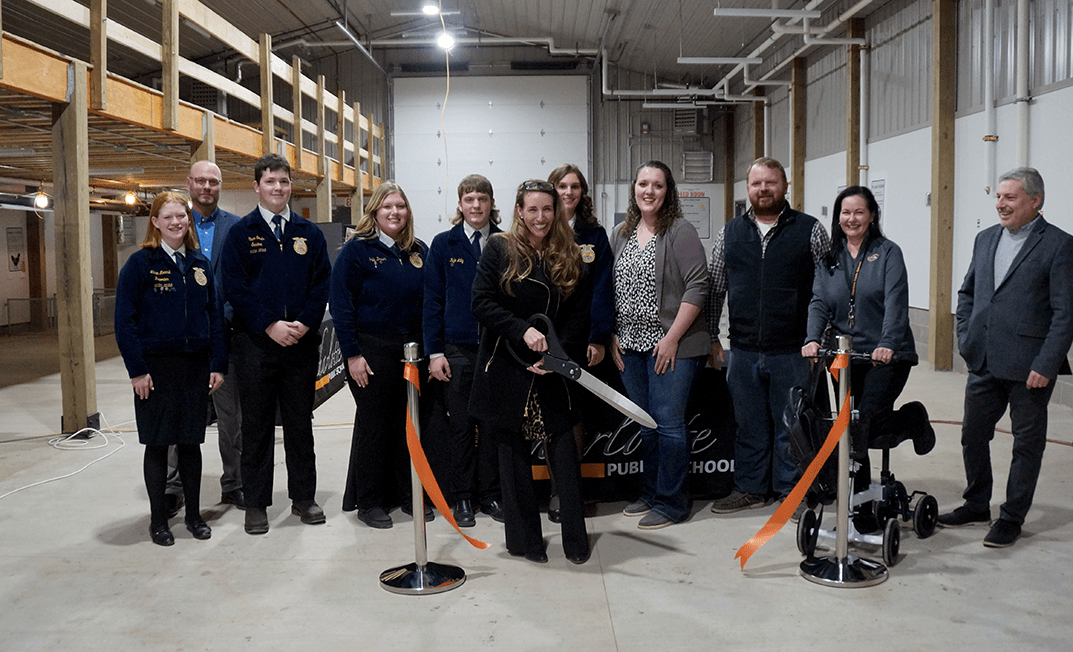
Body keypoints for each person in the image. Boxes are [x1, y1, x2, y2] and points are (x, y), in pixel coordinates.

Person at [938, 167, 1073, 548]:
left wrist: (1046, 364)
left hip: (1029, 367)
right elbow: (967, 294)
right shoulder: (985, 239)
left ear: (1035, 201)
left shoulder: (1059, 245)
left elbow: (1065, 314)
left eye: (1010, 198)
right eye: (998, 197)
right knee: (972, 436)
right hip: (983, 359)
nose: (1001, 204)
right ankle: (977, 503)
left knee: (1026, 444)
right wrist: (965, 336)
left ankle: (1011, 517)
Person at [470, 179, 592, 564]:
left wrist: (556, 355)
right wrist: (522, 331)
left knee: (564, 455)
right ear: (519, 211)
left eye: (547, 209)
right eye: (532, 209)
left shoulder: (569, 252)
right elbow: (481, 302)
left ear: (556, 212)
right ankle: (525, 542)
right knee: (514, 457)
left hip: (553, 369)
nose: (540, 217)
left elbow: (578, 314)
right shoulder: (499, 248)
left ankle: (575, 541)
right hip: (508, 367)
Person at [707, 156, 831, 514]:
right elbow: (716, 288)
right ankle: (750, 488)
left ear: (785, 186)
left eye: (771, 183)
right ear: (748, 189)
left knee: (790, 425)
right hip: (742, 350)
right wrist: (713, 336)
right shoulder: (729, 232)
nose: (764, 189)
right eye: (757, 183)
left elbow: (825, 291)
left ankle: (791, 491)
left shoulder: (810, 230)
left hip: (792, 351)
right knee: (749, 425)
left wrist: (818, 339)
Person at [800, 186, 935, 503]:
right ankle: (857, 494)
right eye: (845, 213)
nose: (852, 219)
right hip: (844, 353)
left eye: (859, 212)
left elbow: (895, 301)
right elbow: (819, 302)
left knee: (864, 421)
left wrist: (888, 343)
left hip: (885, 356)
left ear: (872, 215)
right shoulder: (829, 259)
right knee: (834, 421)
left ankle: (912, 418)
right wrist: (811, 338)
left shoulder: (888, 252)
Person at [220, 153, 331, 535]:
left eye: (284, 181)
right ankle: (256, 503)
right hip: (255, 346)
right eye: (270, 181)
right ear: (256, 186)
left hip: (300, 345)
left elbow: (321, 285)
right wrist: (269, 325)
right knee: (257, 426)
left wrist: (302, 323)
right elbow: (235, 287)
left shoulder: (309, 234)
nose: (278, 188)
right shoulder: (241, 234)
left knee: (301, 424)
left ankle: (304, 498)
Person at [114, 191, 226, 546]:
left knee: (191, 445)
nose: (177, 222)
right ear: (156, 222)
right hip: (155, 372)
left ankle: (194, 516)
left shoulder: (199, 264)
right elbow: (124, 322)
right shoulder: (140, 264)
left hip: (194, 368)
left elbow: (215, 318)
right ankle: (158, 521)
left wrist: (217, 365)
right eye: (169, 217)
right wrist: (137, 370)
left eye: (182, 217)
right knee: (158, 446)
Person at [610, 160, 709, 530]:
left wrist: (671, 338)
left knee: (668, 424)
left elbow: (698, 286)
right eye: (642, 184)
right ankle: (650, 494)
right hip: (631, 346)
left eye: (657, 185)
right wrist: (613, 332)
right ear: (633, 189)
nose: (648, 191)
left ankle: (672, 503)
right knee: (645, 425)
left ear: (668, 192)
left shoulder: (680, 231)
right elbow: (611, 287)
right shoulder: (621, 232)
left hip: (672, 347)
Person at [334, 181, 432, 529]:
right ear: (375, 211)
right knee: (376, 427)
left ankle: (408, 495)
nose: (395, 212)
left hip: (412, 352)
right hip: (371, 351)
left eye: (401, 206)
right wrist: (352, 355)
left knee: (410, 426)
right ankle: (370, 501)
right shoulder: (357, 251)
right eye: (388, 206)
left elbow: (431, 305)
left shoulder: (420, 251)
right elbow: (342, 306)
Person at [163, 161, 245, 517]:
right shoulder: (175, 224)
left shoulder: (236, 228)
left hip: (225, 337)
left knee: (232, 419)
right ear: (189, 183)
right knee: (178, 415)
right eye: (200, 181)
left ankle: (235, 483)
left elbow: (241, 283)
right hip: (181, 344)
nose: (207, 187)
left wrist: (217, 321)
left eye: (213, 181)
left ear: (220, 185)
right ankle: (172, 486)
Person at [422, 174, 504, 528]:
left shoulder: (505, 242)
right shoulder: (444, 244)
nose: (475, 206)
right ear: (460, 204)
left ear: (490, 203)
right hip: (456, 350)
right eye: (468, 199)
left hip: (498, 350)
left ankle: (490, 494)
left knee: (491, 427)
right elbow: (432, 301)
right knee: (461, 427)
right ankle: (464, 497)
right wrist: (434, 352)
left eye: (481, 199)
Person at [546, 164, 614, 523]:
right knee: (551, 417)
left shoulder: (594, 235)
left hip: (581, 341)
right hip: (545, 339)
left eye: (575, 187)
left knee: (575, 418)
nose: (568, 192)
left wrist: (598, 336)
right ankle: (557, 490)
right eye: (562, 186)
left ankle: (572, 490)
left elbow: (603, 289)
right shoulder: (539, 229)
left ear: (582, 192)